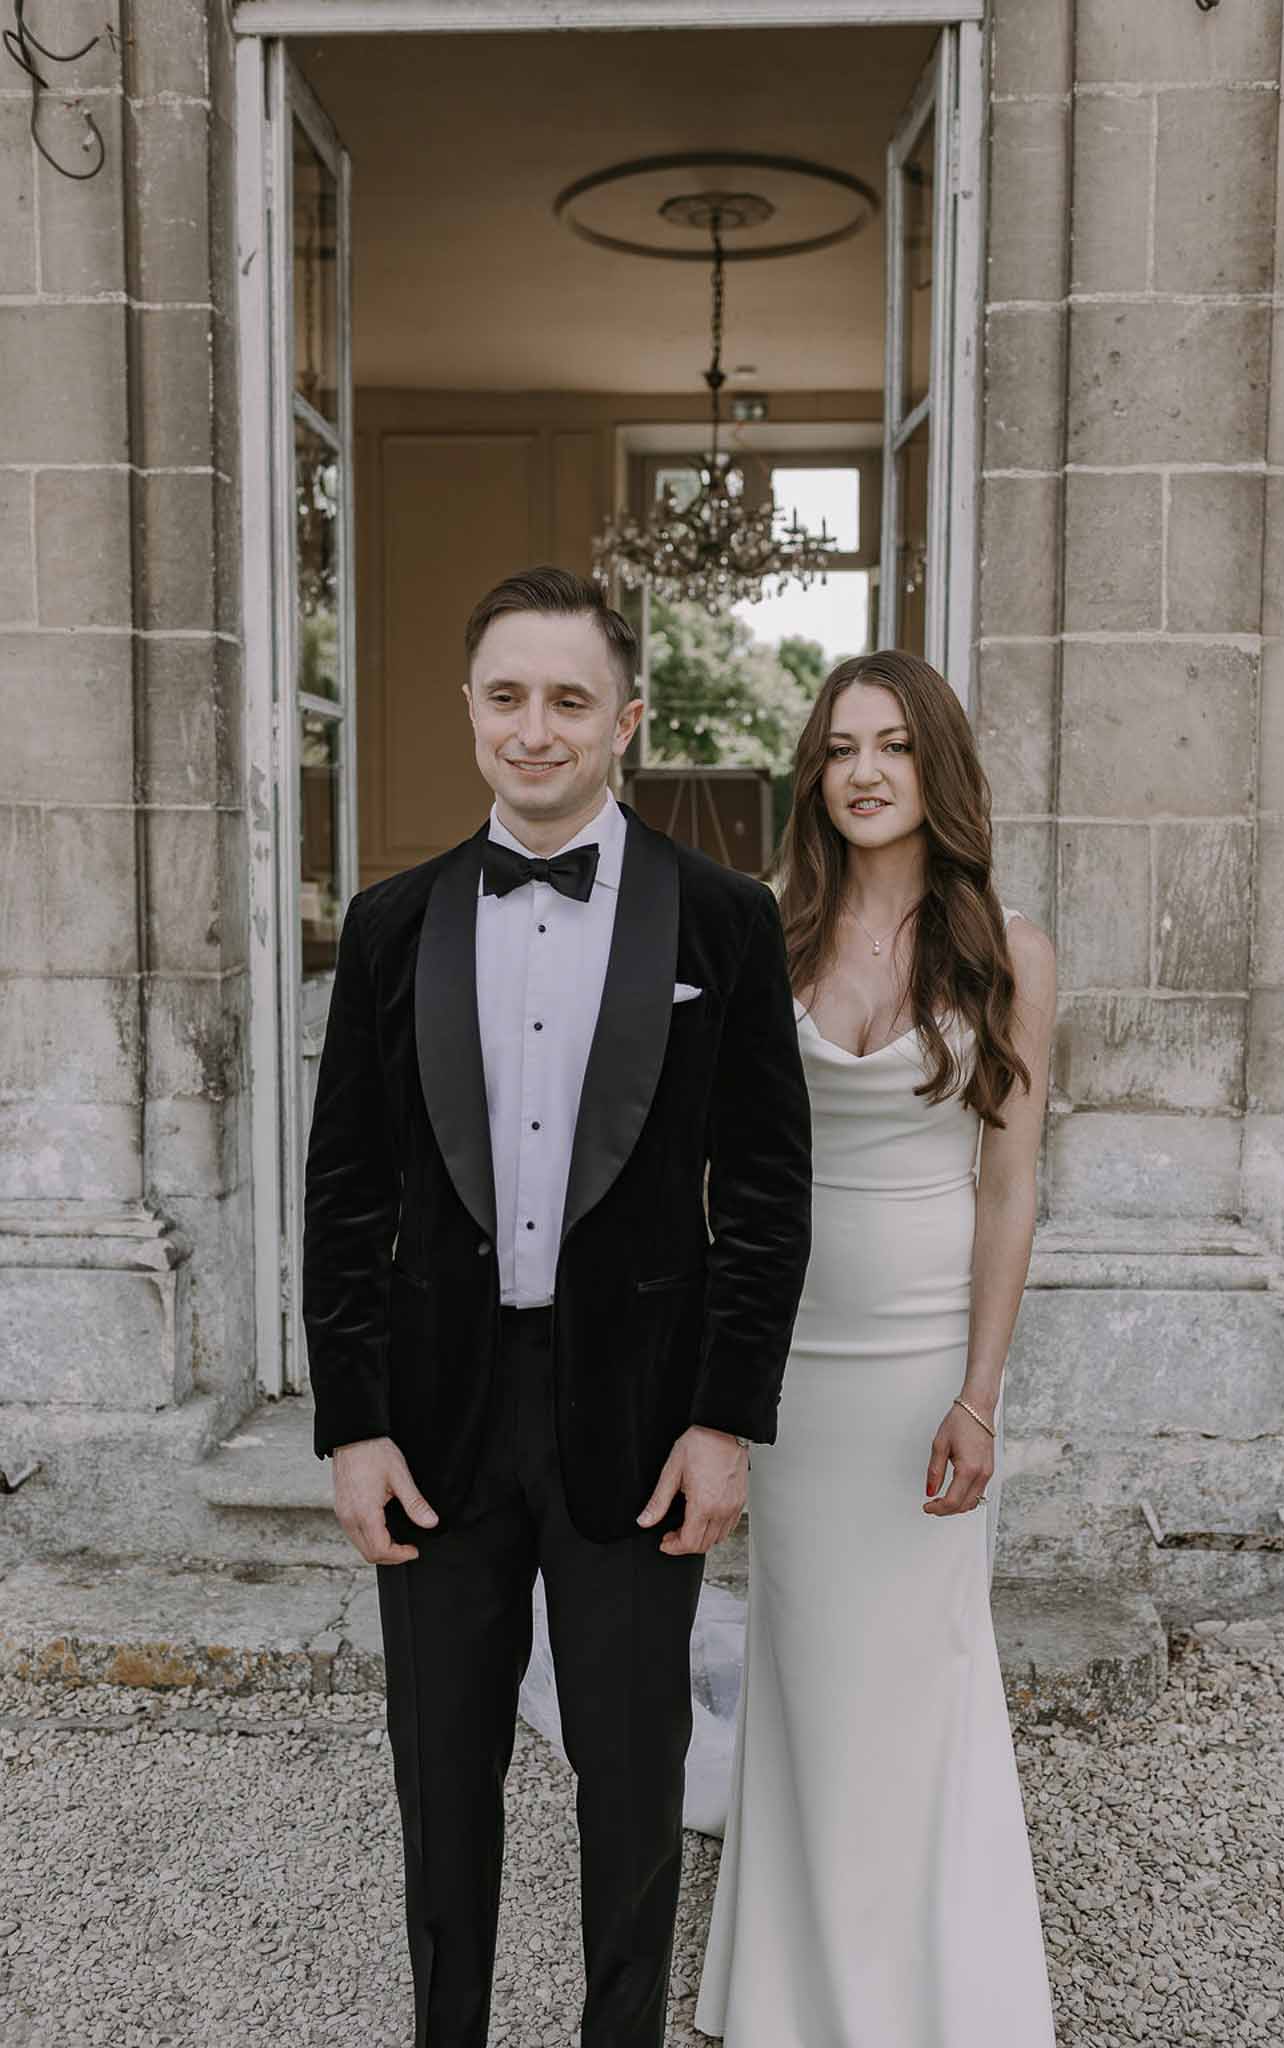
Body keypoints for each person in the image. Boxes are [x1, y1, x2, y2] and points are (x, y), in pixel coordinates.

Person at [301, 566, 812, 2048]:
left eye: (569, 701)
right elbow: (347, 1193)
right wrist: (352, 1426)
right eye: (508, 698)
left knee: (632, 1776)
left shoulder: (721, 920)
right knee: (440, 1767)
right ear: (470, 711)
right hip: (437, 1415)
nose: (536, 730)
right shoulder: (390, 923)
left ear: (626, 720)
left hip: (641, 1417)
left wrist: (725, 1419)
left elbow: (765, 1197)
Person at [696, 650, 1058, 2047]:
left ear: (936, 771)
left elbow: (1008, 1184)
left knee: (922, 1667)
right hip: (789, 1356)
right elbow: (718, 1166)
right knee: (805, 1661)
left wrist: (978, 1393)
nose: (862, 770)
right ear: (812, 772)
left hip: (918, 1364)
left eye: (894, 746)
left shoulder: (1006, 950)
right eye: (839, 746)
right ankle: (791, 1990)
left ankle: (940, 1990)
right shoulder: (758, 934)